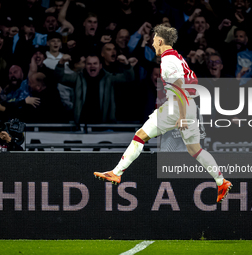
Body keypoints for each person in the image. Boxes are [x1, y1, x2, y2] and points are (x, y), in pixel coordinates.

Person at [94, 25, 232, 203]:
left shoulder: (168, 61)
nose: (152, 43)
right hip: (190, 105)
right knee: (195, 150)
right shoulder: (178, 56)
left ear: (160, 40)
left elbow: (180, 88)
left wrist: (181, 117)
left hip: (177, 106)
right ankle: (221, 181)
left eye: (154, 40)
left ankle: (116, 173)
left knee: (140, 136)